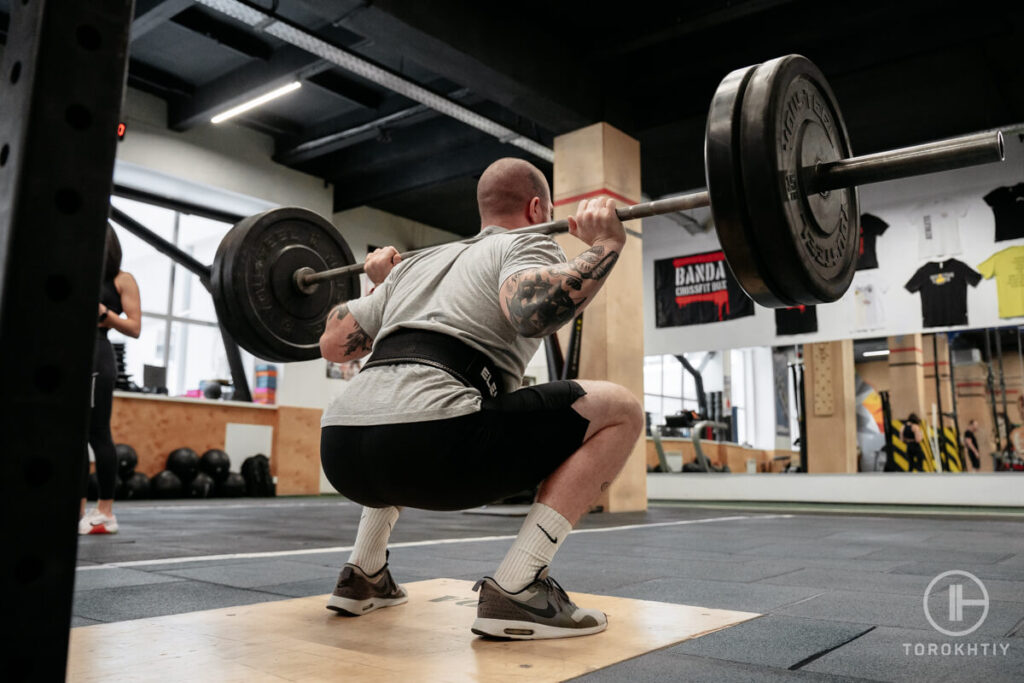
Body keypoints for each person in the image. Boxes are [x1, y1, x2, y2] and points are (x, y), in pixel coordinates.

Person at [318, 157, 643, 640]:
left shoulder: (416, 267)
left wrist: (378, 284)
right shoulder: (527, 240)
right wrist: (608, 243)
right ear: (538, 207)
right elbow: (529, 311)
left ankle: (363, 574)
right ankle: (518, 589)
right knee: (621, 409)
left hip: (341, 452)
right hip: (437, 449)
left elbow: (332, 341)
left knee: (404, 399)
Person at [79, 225, 141, 535]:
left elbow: (135, 327)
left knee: (97, 433)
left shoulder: (122, 279)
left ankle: (106, 512)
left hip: (98, 357)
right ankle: (79, 511)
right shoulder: (78, 273)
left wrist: (104, 313)